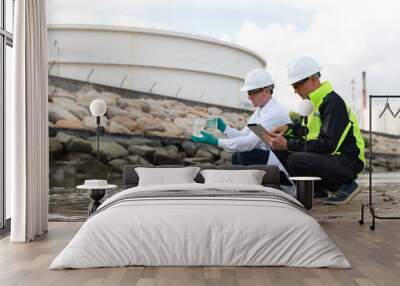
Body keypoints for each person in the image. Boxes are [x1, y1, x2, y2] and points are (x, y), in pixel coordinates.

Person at [263, 56, 365, 204]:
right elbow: (307, 131)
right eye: (293, 86)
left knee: (295, 158)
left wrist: (288, 144)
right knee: (279, 149)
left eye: (297, 84)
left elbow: (328, 144)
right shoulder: (312, 102)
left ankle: (346, 186)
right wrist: (288, 129)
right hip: (331, 157)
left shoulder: (332, 102)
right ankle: (317, 190)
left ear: (313, 79)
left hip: (349, 160)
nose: (295, 90)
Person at [192, 68, 291, 168]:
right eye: (248, 93)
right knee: (237, 156)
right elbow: (244, 135)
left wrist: (217, 141)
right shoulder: (260, 111)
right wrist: (225, 128)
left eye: (252, 92)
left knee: (245, 155)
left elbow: (249, 143)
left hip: (284, 163)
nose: (249, 97)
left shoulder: (274, 112)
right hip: (272, 157)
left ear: (266, 91)